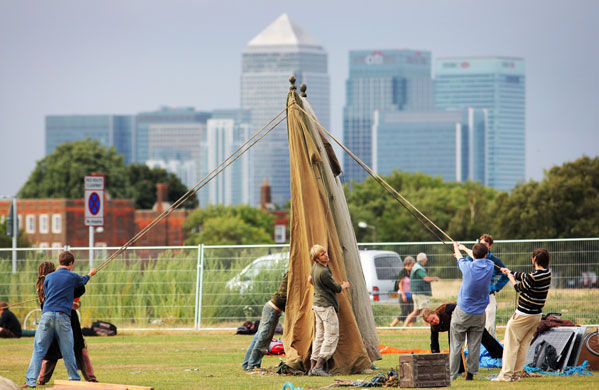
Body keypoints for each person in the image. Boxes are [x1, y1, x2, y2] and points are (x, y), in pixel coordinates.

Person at [23, 252, 97, 388]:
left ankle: (30, 381)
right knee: (68, 350)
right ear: (71, 264)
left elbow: (48, 293)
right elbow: (83, 281)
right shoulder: (72, 276)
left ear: (59, 261)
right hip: (63, 316)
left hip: (46, 316)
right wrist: (91, 273)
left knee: (39, 350)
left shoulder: (49, 277)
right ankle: (74, 379)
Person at [492, 248, 552, 382]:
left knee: (510, 345)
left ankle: (506, 375)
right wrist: (510, 272)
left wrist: (510, 278)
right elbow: (525, 276)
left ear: (535, 259)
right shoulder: (546, 273)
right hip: (536, 316)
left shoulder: (534, 276)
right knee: (523, 345)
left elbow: (519, 288)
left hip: (523, 315)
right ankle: (516, 375)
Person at [449, 242, 494, 381]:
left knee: (456, 343)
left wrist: (456, 247)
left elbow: (458, 256)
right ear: (486, 255)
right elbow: (476, 256)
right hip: (480, 313)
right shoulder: (490, 265)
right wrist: (463, 248)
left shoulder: (467, 267)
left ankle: (452, 375)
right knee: (474, 344)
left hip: (463, 311)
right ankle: (471, 374)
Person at [308, 244, 350, 377]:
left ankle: (312, 367)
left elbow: (309, 279)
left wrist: (320, 288)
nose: (326, 255)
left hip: (317, 305)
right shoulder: (324, 272)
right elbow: (337, 288)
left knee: (320, 336)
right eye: (322, 254)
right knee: (331, 336)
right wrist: (344, 285)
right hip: (326, 306)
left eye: (325, 252)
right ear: (317, 259)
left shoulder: (315, 268)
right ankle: (319, 366)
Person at [422, 303, 503, 365]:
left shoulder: (446, 309)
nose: (434, 321)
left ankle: (500, 357)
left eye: (433, 318)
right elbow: (434, 342)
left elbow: (461, 306)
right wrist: (436, 358)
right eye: (431, 321)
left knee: (484, 337)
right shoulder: (434, 327)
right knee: (453, 343)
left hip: (469, 319)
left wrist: (456, 312)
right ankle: (459, 368)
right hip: (456, 326)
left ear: (435, 313)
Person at [461, 234, 509, 337]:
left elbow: (506, 275)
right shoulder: (471, 258)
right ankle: (468, 349)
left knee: (489, 325)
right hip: (473, 296)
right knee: (470, 324)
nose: (482, 246)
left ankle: (489, 351)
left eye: (485, 244)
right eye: (481, 243)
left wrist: (496, 287)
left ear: (490, 246)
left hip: (488, 296)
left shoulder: (495, 261)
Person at [242, 271, 288, 371]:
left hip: (270, 308)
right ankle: (253, 365)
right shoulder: (292, 276)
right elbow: (284, 298)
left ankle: (246, 365)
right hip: (272, 311)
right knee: (263, 338)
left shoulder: (289, 275)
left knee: (258, 337)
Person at [403, 252, 440, 327]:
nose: (427, 259)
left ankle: (404, 326)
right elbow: (425, 278)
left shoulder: (417, 266)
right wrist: (434, 278)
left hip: (416, 292)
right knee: (425, 310)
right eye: (426, 258)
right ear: (423, 259)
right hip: (419, 292)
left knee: (416, 312)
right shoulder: (419, 268)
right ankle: (426, 327)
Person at [389, 256, 415, 327]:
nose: (413, 266)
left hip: (410, 294)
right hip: (403, 294)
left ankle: (411, 327)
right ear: (408, 264)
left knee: (412, 311)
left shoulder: (410, 272)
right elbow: (400, 284)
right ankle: (392, 325)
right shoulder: (402, 272)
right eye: (412, 265)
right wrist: (403, 295)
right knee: (404, 312)